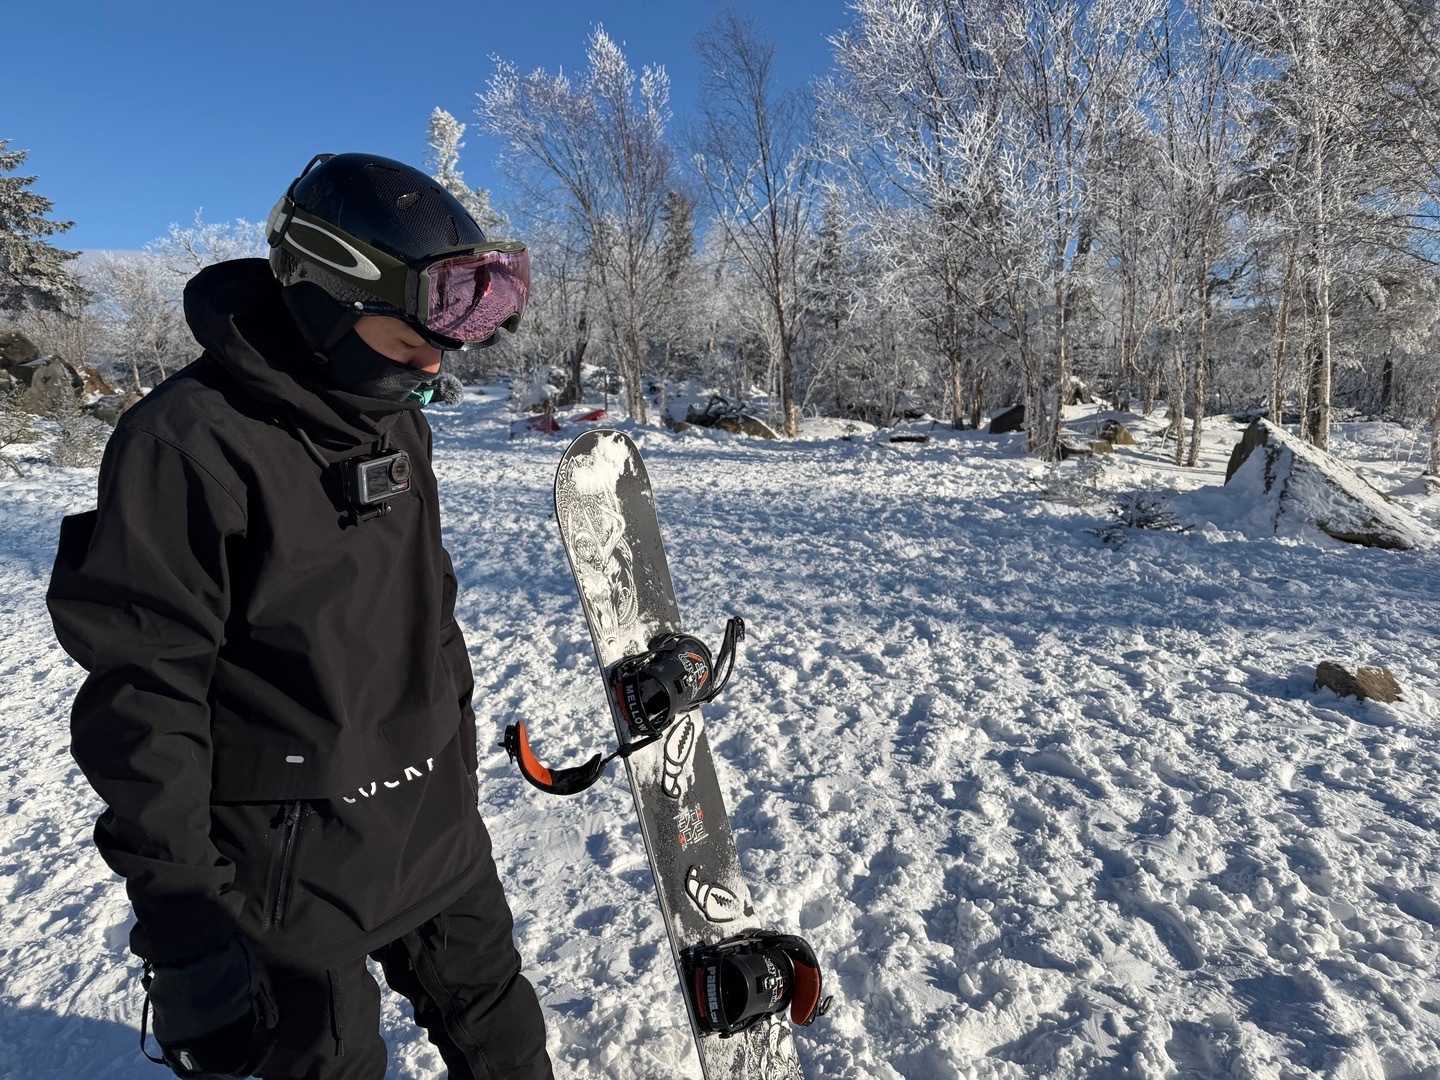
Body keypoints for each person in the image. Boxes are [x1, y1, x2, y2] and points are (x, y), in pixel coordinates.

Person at [47, 152, 554, 1080]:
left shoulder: (399, 419)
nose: (433, 365)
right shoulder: (185, 444)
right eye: (407, 341)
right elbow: (144, 695)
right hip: (283, 867)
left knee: (506, 1038)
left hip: (433, 826)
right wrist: (185, 920)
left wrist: (455, 757)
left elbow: (429, 612)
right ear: (324, 301)